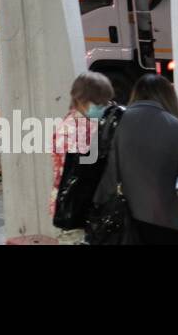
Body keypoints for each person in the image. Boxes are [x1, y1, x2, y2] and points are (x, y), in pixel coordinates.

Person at [94, 74, 178, 245]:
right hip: (165, 226)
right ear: (169, 97)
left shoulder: (118, 123)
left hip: (125, 223)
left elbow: (108, 181)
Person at [50, 71, 119, 239]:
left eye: (106, 102)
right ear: (80, 100)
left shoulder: (82, 122)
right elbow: (81, 177)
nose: (104, 107)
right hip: (74, 210)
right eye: (99, 102)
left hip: (76, 206)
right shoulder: (75, 130)